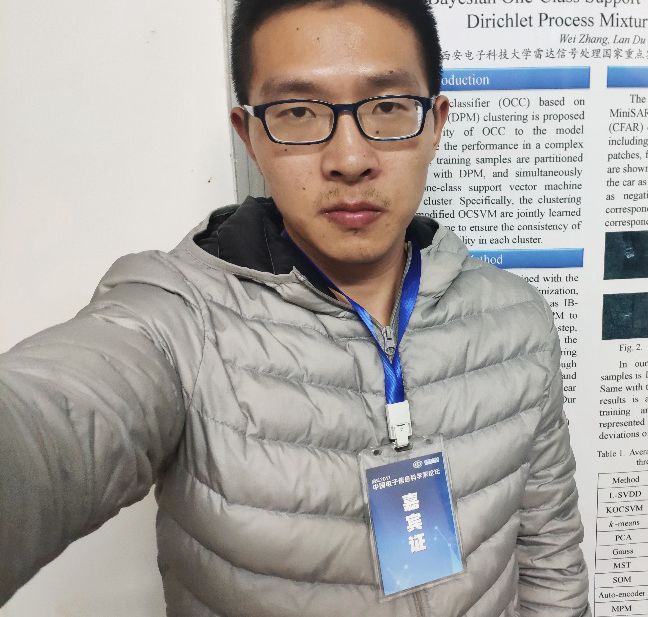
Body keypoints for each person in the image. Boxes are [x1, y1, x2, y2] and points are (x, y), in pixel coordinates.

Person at [0, 1, 589, 615]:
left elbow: (551, 564)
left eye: (388, 107)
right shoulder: (180, 319)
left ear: (435, 123)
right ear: (250, 135)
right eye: (299, 112)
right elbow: (61, 414)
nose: (350, 159)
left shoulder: (516, 319)